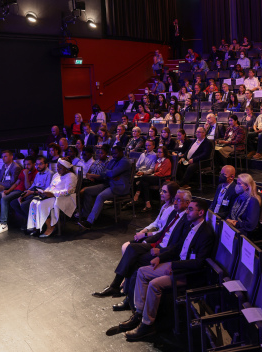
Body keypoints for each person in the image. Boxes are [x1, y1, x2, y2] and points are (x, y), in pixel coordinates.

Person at [121, 198, 215, 341]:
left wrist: (174, 266)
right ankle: (138, 314)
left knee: (154, 284)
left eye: (190, 209)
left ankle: (147, 325)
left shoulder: (206, 233)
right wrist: (161, 257)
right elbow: (177, 247)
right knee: (142, 271)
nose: (187, 212)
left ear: (201, 212)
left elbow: (199, 263)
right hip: (177, 265)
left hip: (187, 273)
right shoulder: (190, 225)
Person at [78, 145, 132, 229]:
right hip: (109, 183)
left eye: (116, 153)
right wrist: (111, 174)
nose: (113, 155)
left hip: (119, 186)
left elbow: (111, 173)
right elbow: (103, 173)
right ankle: (86, 215)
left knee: (101, 196)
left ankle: (89, 222)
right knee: (87, 191)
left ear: (122, 152)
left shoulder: (125, 161)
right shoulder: (113, 160)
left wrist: (110, 174)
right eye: (112, 153)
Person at [26, 159, 77, 237]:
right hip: (51, 195)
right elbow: (50, 186)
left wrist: (53, 194)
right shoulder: (56, 175)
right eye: (57, 167)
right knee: (33, 202)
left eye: (60, 168)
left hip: (62, 198)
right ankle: (36, 226)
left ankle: (50, 227)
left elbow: (69, 191)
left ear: (66, 168)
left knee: (41, 204)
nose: (57, 169)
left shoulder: (71, 176)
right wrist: (44, 192)